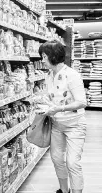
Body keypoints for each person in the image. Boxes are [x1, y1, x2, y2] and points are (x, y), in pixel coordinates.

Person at [38, 41, 87, 193]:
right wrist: (43, 102)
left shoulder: (72, 75)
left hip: (75, 125)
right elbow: (52, 97)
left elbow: (82, 102)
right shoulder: (48, 75)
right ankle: (64, 191)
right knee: (57, 159)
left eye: (44, 56)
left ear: (52, 57)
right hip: (56, 125)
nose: (42, 60)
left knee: (72, 163)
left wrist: (59, 108)